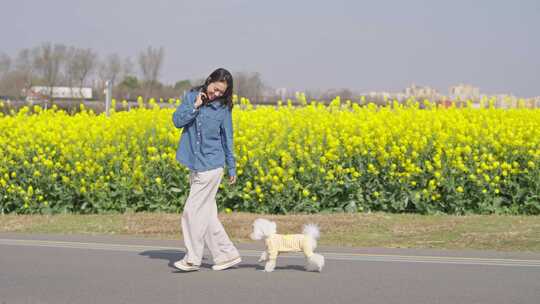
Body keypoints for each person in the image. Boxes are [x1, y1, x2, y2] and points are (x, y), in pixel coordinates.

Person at [171, 68, 241, 271]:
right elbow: (177, 121)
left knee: (191, 212)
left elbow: (227, 139)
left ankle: (192, 258)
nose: (217, 94)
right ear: (209, 81)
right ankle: (226, 254)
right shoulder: (192, 97)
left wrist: (232, 167)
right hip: (194, 163)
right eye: (216, 88)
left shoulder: (223, 109)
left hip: (212, 166)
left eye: (222, 92)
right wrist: (195, 106)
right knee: (207, 215)